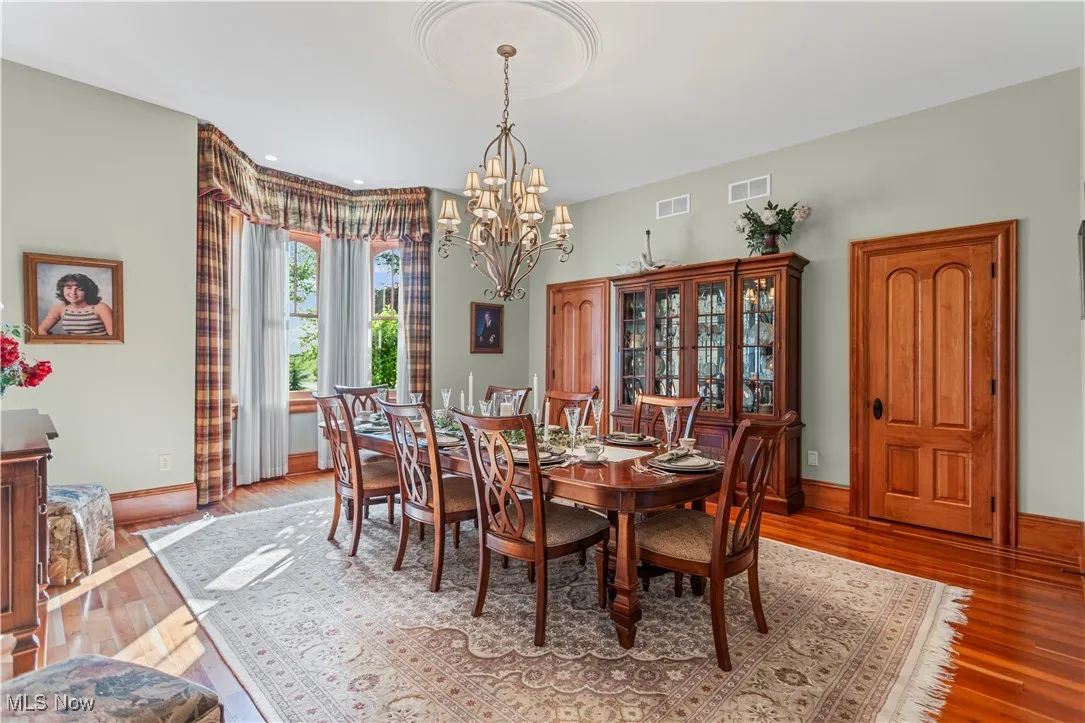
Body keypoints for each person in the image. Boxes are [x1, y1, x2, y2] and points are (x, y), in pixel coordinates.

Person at [38, 273, 113, 336]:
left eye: (79, 289)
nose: (73, 292)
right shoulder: (60, 307)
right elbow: (41, 330)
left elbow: (114, 336)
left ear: (88, 291)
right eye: (69, 288)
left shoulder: (100, 307)